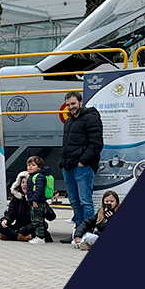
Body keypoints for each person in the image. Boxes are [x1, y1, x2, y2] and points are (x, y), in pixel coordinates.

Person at [59, 91, 104, 243]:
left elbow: (96, 144)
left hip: (82, 167)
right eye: (68, 105)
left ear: (80, 102)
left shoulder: (91, 118)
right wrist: (63, 163)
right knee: (74, 201)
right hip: (68, 167)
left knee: (85, 201)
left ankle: (87, 234)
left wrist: (83, 162)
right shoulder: (69, 122)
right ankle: (77, 233)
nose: (71, 107)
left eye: (73, 103)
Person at [0, 172, 54, 243]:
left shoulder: (38, 199)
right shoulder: (16, 199)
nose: (25, 184)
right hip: (19, 226)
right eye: (23, 182)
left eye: (27, 182)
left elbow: (52, 217)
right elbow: (10, 214)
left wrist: (42, 209)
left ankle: (11, 235)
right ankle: (21, 237)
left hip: (31, 226)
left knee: (39, 225)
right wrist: (5, 220)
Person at [25, 155, 52, 245]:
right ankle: (40, 235)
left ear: (39, 167)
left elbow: (39, 190)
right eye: (29, 165)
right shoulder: (33, 176)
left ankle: (40, 237)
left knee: (37, 220)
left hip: (37, 202)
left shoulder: (39, 177)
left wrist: (34, 200)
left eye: (33, 165)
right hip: (35, 201)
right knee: (36, 219)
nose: (30, 167)